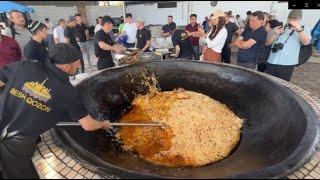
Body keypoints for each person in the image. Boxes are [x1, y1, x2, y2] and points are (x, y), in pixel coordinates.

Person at [0, 43, 111, 179]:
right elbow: (88, 125)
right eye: (77, 63)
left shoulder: (25, 66)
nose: (78, 66)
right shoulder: (68, 92)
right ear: (66, 66)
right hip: (18, 141)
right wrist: (103, 124)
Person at [266, 10, 311, 81]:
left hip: (287, 64)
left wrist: (299, 30)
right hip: (271, 61)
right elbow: (267, 43)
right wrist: (275, 33)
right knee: (268, 83)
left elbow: (306, 42)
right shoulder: (281, 27)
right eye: (290, 18)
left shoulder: (303, 28)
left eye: (295, 18)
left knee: (281, 86)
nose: (291, 20)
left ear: (300, 18)